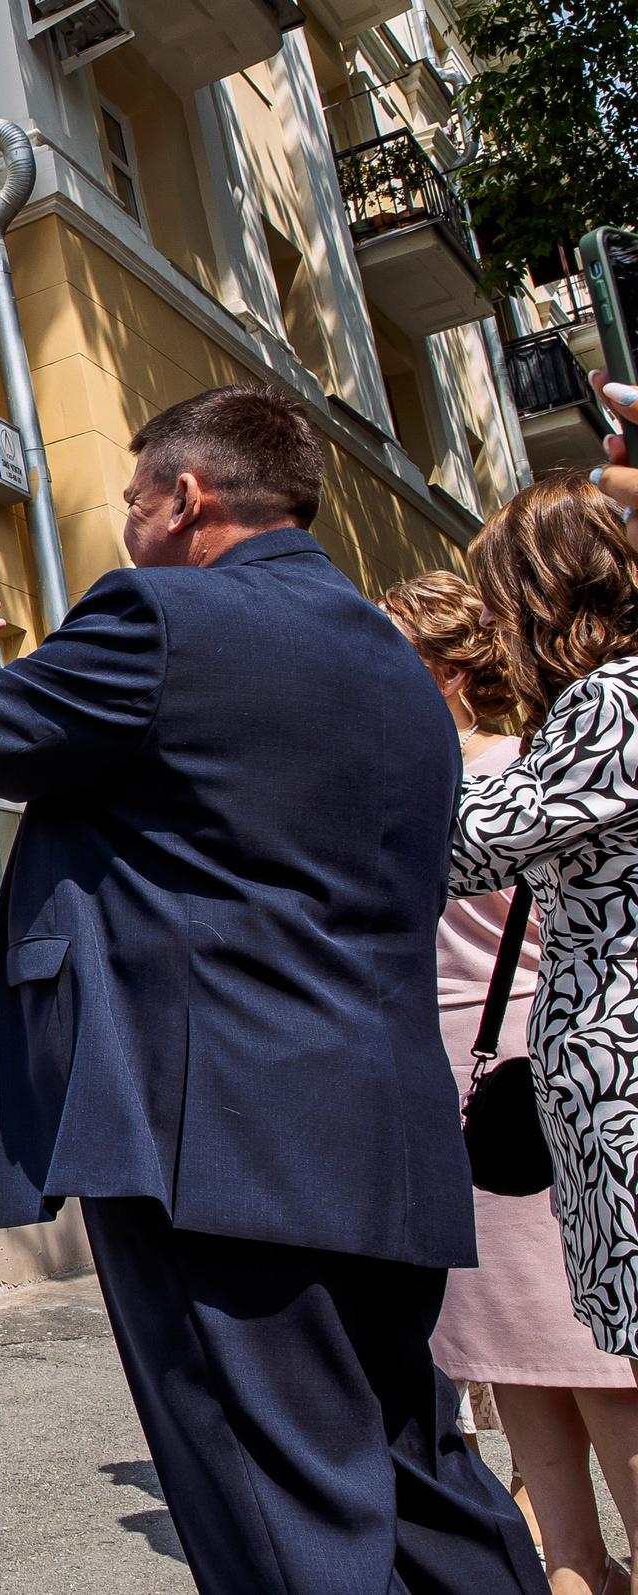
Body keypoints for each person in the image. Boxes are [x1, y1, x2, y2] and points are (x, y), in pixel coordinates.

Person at [0, 383, 544, 1594]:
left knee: (273, 1504)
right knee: (412, 1471)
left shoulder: (158, 616)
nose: (127, 528)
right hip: (383, 1130)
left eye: (135, 501)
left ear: (184, 499)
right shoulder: (392, 664)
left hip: (213, 1141)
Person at [389, 570, 638, 1595]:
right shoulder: (411, 782)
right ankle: (571, 1565)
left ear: (449, 675)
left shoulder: (522, 773)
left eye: (389, 661)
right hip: (447, 1085)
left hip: (538, 1075)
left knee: (586, 1351)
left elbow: (564, 937)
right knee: (511, 1350)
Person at [454, 480, 638, 1364]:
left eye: (496, 596)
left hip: (625, 1083)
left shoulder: (610, 702)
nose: (489, 622)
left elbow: (472, 845)